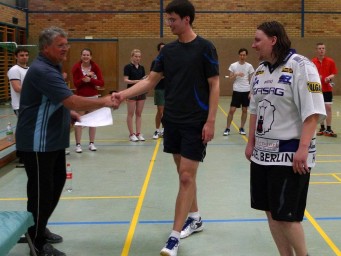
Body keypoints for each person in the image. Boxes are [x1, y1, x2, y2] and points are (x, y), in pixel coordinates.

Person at [112, 1, 219, 255]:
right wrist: (122, 95)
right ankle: (195, 217)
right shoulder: (167, 52)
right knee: (185, 175)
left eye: (172, 19)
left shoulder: (205, 48)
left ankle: (173, 238)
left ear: (186, 20)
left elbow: (214, 84)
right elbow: (150, 81)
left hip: (196, 121)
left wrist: (211, 120)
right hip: (173, 120)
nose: (168, 23)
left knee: (185, 176)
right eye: (168, 19)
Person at [16, 26, 116, 256]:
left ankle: (38, 227)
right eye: (61, 45)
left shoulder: (53, 66)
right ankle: (37, 243)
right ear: (45, 48)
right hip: (37, 142)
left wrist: (66, 113)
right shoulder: (43, 70)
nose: (66, 49)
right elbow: (71, 100)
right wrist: (105, 101)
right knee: (41, 192)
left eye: (66, 44)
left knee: (56, 184)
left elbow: (55, 99)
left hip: (53, 140)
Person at [245, 21, 326, 256]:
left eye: (258, 40)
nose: (254, 45)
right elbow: (254, 110)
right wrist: (251, 143)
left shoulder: (302, 66)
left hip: (290, 156)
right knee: (270, 211)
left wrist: (303, 148)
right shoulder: (260, 71)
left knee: (286, 215)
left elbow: (313, 111)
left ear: (273, 40)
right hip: (262, 155)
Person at [71, 48, 104, 152]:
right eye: (84, 55)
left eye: (87, 55)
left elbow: (101, 83)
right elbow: (76, 83)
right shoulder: (76, 67)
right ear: (81, 56)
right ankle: (78, 144)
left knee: (93, 121)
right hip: (81, 98)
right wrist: (84, 79)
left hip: (93, 97)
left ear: (91, 56)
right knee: (79, 121)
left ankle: (91, 143)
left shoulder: (95, 67)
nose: (86, 57)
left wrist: (91, 80)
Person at [223, 48, 254, 136]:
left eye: (244, 55)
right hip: (237, 90)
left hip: (246, 90)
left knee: (244, 110)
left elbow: (252, 79)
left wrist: (251, 91)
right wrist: (236, 74)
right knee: (232, 110)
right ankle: (227, 128)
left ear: (246, 56)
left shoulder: (249, 66)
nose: (242, 56)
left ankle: (242, 128)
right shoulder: (233, 65)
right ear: (239, 55)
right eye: (241, 55)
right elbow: (230, 78)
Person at [7, 47, 29, 166]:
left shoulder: (29, 69)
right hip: (20, 105)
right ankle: (21, 156)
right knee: (24, 130)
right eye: (21, 55)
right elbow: (17, 88)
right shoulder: (14, 70)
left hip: (29, 104)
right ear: (16, 56)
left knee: (28, 129)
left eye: (26, 55)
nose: (24, 57)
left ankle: (26, 153)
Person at [311, 43, 338, 137]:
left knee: (328, 108)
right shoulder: (312, 62)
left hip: (327, 89)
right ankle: (322, 127)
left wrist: (329, 77)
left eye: (323, 48)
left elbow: (333, 73)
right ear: (316, 50)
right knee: (319, 109)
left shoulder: (330, 61)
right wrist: (316, 77)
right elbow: (309, 75)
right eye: (319, 48)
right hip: (317, 89)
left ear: (325, 50)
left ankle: (329, 128)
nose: (321, 50)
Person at [123, 49, 147, 142]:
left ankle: (138, 133)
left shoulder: (142, 68)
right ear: (132, 57)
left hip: (141, 92)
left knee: (139, 113)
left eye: (139, 57)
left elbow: (144, 80)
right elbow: (126, 80)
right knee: (130, 113)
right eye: (136, 56)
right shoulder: (128, 67)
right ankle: (131, 134)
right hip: (131, 92)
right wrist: (137, 81)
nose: (138, 58)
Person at [151, 42, 166, 139]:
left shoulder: (170, 61)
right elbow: (153, 76)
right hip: (159, 88)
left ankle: (165, 130)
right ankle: (157, 130)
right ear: (158, 50)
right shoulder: (155, 62)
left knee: (167, 111)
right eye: (161, 49)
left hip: (169, 89)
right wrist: (161, 76)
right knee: (160, 110)